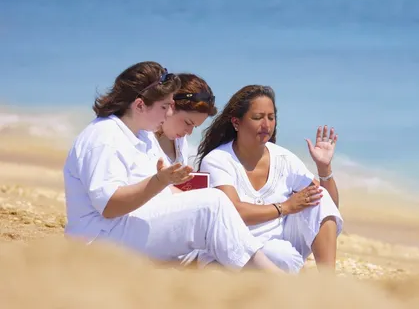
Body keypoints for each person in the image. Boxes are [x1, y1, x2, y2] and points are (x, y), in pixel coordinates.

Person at [62, 62, 282, 273]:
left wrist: (183, 192)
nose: (168, 113)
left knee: (212, 242)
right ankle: (274, 281)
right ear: (139, 105)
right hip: (101, 240)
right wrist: (160, 181)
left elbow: (164, 193)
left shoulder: (142, 136)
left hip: (129, 228)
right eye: (165, 107)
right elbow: (110, 206)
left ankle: (255, 277)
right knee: (212, 205)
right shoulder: (105, 137)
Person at [196, 85, 343, 273]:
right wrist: (286, 207)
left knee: (319, 196)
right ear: (236, 122)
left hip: (281, 244)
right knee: (279, 255)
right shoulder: (218, 160)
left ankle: (328, 283)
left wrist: (324, 169)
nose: (267, 125)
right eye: (257, 118)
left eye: (271, 117)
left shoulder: (284, 158)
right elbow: (231, 213)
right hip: (235, 249)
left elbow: (328, 208)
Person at [149, 73, 216, 193]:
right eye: (187, 122)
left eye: (194, 127)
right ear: (171, 105)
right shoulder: (142, 136)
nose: (189, 132)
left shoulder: (180, 142)